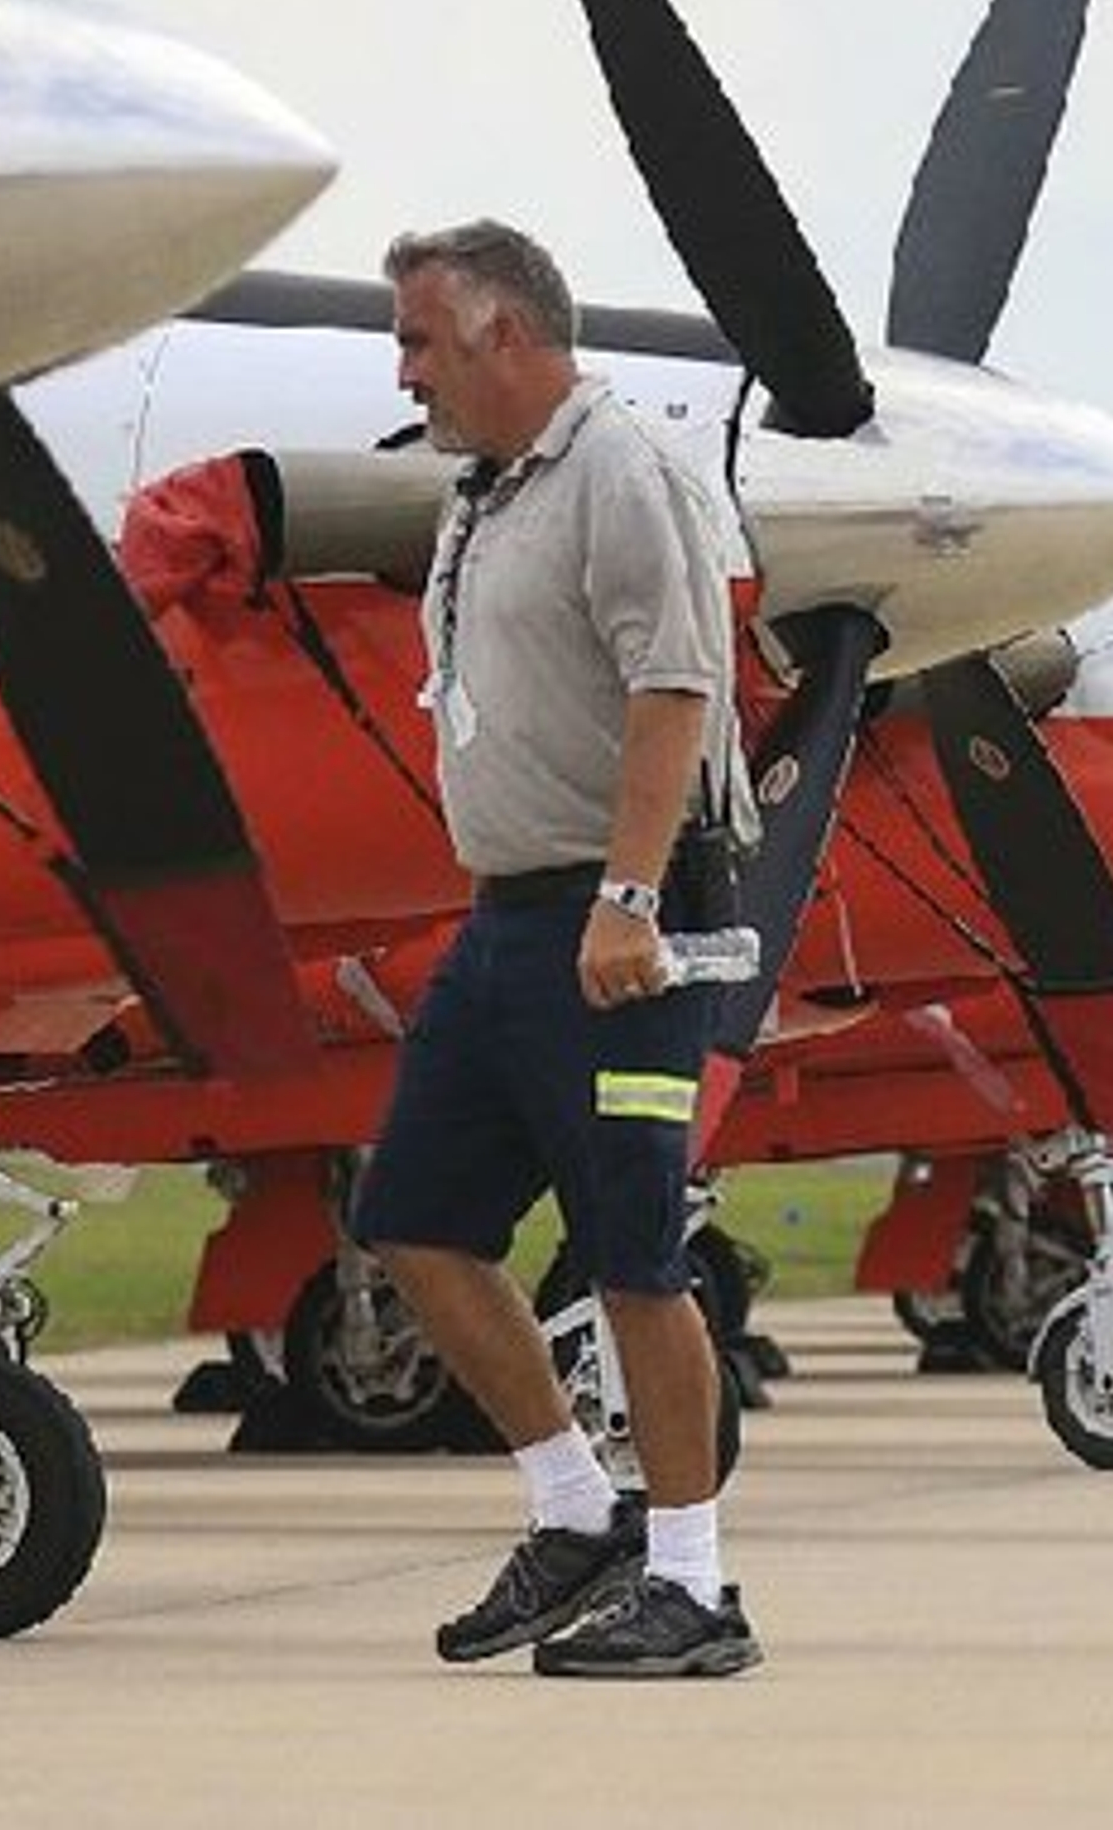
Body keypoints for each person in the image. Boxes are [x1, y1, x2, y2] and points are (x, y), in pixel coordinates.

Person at [352, 218, 762, 1679]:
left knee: (637, 1254)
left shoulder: (620, 473)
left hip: (629, 924)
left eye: (419, 339)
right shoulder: (486, 492)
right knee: (414, 1216)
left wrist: (632, 901)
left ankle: (699, 1589)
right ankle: (576, 1509)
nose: (406, 370)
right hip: (513, 919)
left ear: (505, 333)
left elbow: (674, 686)